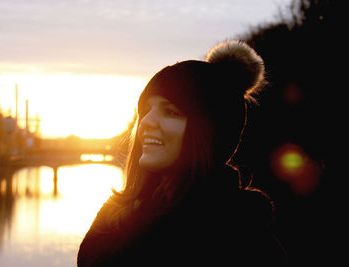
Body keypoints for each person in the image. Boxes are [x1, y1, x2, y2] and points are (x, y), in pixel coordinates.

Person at [77, 40, 287, 266]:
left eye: (170, 112)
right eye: (146, 110)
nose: (146, 122)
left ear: (209, 131)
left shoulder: (243, 239)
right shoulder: (116, 212)